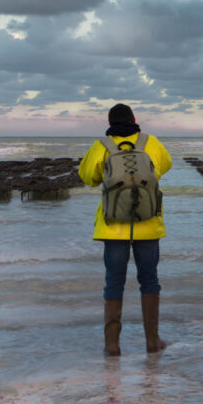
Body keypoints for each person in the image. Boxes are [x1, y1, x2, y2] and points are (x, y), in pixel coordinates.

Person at [79, 103, 172, 356]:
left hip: (113, 227)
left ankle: (112, 345)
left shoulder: (101, 146)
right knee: (150, 280)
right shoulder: (151, 142)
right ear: (134, 120)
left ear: (109, 125)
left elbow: (88, 177)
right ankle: (152, 342)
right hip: (148, 224)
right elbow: (164, 168)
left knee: (114, 283)